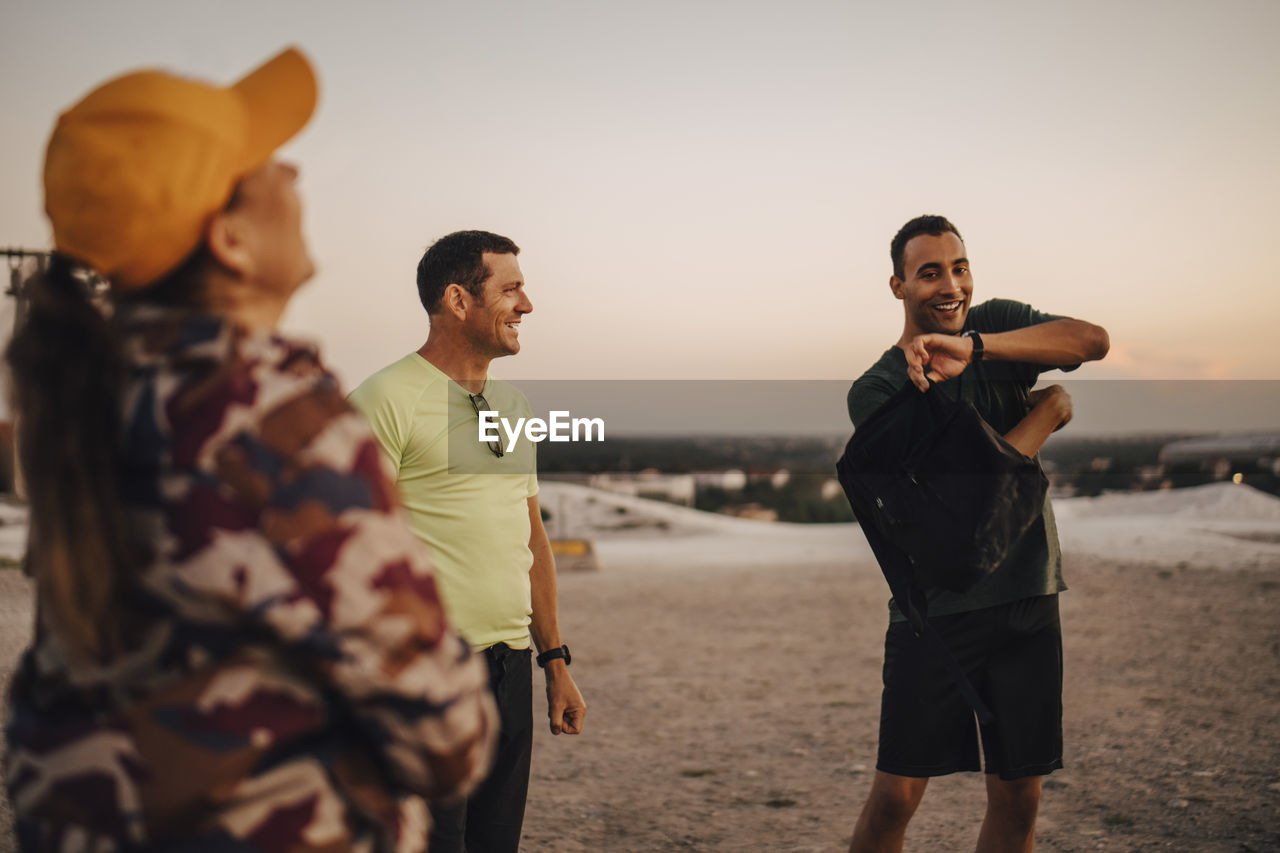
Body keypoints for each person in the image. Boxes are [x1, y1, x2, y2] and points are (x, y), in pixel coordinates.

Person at [3, 48, 497, 852]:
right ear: (229, 239)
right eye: (265, 163)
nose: (294, 170)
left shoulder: (94, 390)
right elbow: (446, 737)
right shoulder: (267, 417)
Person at [845, 215, 1109, 853]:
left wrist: (982, 348)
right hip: (937, 612)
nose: (949, 284)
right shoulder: (879, 390)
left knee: (1020, 797)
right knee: (895, 798)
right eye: (928, 271)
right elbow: (967, 500)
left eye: (958, 267)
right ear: (898, 286)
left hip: (1028, 597)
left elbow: (1091, 340)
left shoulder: (998, 324)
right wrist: (1043, 417)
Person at [349, 230, 587, 853]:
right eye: (510, 290)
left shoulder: (512, 405)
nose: (527, 306)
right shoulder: (382, 402)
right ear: (458, 300)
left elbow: (529, 538)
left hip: (509, 670)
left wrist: (554, 662)